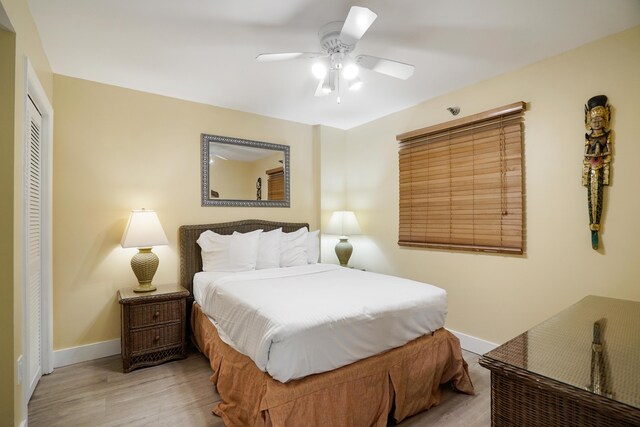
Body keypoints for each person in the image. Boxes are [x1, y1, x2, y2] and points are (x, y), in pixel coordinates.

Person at [583, 95, 612, 249]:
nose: (596, 122)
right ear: (589, 120)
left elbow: (609, 152)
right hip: (591, 168)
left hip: (601, 168)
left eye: (600, 119)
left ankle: (596, 226)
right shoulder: (588, 137)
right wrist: (593, 154)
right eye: (594, 120)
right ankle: (593, 227)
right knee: (591, 197)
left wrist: (600, 153)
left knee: (598, 197)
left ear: (606, 118)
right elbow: (585, 154)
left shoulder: (607, 136)